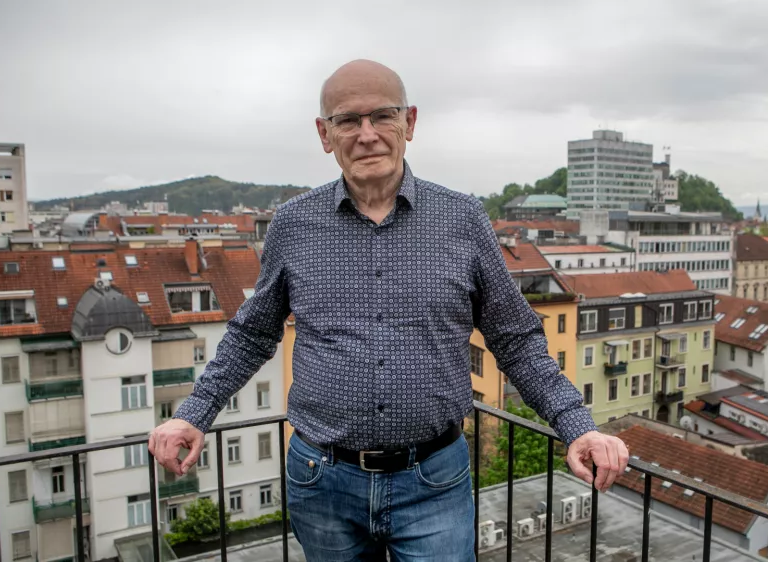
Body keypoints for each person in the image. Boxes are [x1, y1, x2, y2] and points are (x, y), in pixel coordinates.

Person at [149, 59, 629, 561]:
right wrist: (194, 414)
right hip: (321, 481)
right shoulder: (293, 224)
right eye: (347, 120)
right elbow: (252, 334)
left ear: (411, 123)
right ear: (324, 134)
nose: (367, 134)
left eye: (382, 116)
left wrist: (578, 426)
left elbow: (514, 337)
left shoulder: (462, 218)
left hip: (434, 480)